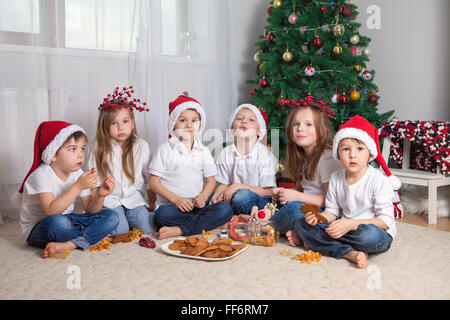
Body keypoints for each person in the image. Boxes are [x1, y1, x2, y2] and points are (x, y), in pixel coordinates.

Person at [291, 115, 401, 268]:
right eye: (346, 149)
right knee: (301, 224)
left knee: (369, 236)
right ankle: (350, 253)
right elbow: (332, 212)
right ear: (338, 154)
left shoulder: (377, 180)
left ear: (370, 154)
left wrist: (351, 224)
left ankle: (323, 244)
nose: (352, 155)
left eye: (360, 149)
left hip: (370, 230)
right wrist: (319, 218)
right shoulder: (336, 178)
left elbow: (385, 221)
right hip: (343, 228)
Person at [15, 121, 119, 258]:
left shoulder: (77, 173)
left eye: (82, 148)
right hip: (40, 228)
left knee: (111, 216)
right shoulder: (41, 175)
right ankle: (91, 235)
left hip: (69, 220)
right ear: (53, 154)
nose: (80, 154)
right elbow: (51, 211)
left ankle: (70, 244)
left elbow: (89, 209)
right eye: (72, 149)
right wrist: (78, 186)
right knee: (59, 222)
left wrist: (100, 195)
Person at [149, 92, 233, 239]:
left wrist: (204, 195)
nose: (189, 125)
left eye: (194, 120)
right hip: (174, 205)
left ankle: (181, 230)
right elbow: (153, 182)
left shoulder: (203, 150)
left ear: (200, 124)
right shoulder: (165, 149)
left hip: (197, 204)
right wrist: (176, 199)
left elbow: (211, 180)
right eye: (182, 120)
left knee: (225, 209)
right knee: (161, 216)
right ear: (173, 123)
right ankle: (206, 224)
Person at [85, 86, 157, 236]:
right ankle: (117, 220)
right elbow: (93, 182)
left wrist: (151, 203)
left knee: (149, 228)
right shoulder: (98, 147)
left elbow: (149, 178)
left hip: (134, 199)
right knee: (120, 230)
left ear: (132, 123)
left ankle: (129, 218)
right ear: (105, 125)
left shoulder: (142, 146)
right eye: (114, 123)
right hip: (110, 201)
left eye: (125, 121)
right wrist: (94, 206)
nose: (121, 127)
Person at [270, 98, 342, 242]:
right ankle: (290, 227)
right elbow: (303, 188)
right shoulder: (303, 155)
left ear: (321, 130)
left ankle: (267, 226)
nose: (300, 128)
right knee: (261, 199)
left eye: (308, 124)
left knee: (294, 209)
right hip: (306, 205)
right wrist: (284, 193)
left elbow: (331, 202)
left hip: (323, 213)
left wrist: (296, 197)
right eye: (296, 124)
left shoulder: (327, 159)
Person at [210, 104, 278, 219]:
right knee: (209, 199)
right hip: (234, 198)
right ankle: (234, 216)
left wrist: (238, 186)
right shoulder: (226, 153)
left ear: (259, 132)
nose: (244, 122)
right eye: (239, 118)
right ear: (232, 130)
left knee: (242, 196)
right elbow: (224, 184)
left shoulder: (264, 155)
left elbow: (269, 191)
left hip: (258, 200)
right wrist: (215, 198)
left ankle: (250, 216)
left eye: (251, 120)